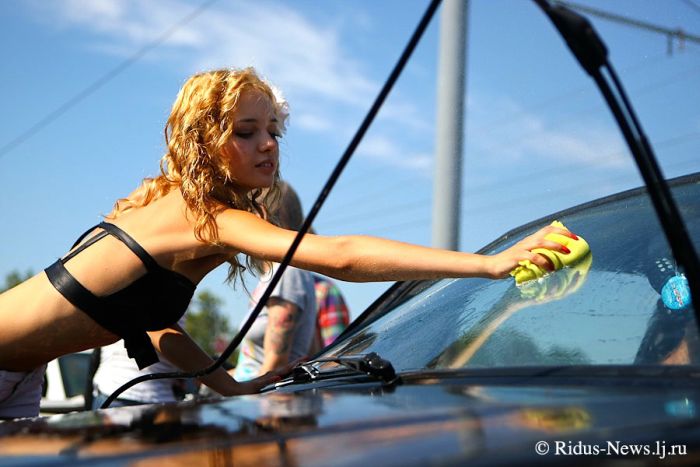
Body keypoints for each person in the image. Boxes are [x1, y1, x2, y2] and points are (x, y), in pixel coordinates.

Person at [0, 67, 577, 419]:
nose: (268, 144)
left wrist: (229, 387)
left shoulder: (198, 220)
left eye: (273, 130)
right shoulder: (200, 215)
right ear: (202, 143)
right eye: (246, 132)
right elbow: (340, 256)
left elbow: (156, 330)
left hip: (22, 376)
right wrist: (488, 264)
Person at [234, 182, 317, 381]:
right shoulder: (276, 276)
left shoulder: (287, 274)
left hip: (268, 398)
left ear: (260, 215)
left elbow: (275, 366)